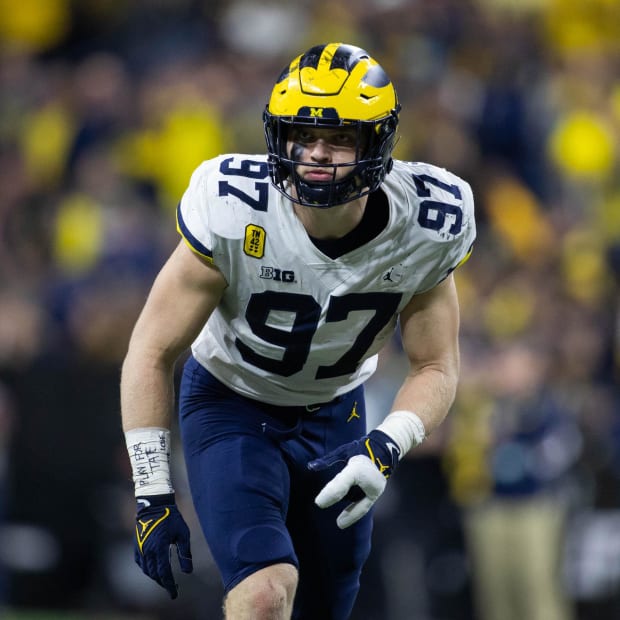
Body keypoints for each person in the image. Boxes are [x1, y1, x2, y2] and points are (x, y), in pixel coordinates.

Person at [121, 42, 476, 620]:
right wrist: (152, 490)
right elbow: (151, 350)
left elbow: (436, 366)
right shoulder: (235, 205)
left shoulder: (428, 221)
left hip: (339, 414)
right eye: (302, 134)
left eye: (338, 139)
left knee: (324, 608)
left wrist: (387, 445)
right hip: (230, 402)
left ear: (376, 144)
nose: (315, 154)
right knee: (264, 591)